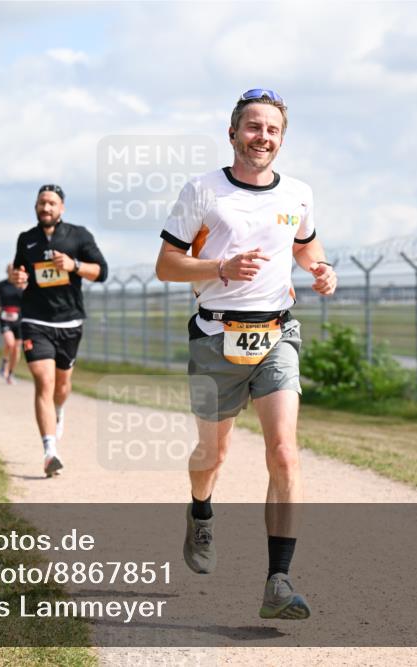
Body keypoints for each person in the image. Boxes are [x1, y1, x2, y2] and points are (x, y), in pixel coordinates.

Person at [154, 88, 337, 620]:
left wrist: (320, 268)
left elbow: (305, 244)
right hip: (215, 338)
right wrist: (220, 268)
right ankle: (201, 510)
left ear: (283, 138)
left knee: (284, 453)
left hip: (277, 334)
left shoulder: (298, 194)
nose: (263, 137)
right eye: (253, 127)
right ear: (232, 133)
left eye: (273, 130)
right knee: (212, 457)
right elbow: (167, 264)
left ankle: (279, 580)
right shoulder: (203, 191)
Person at [9, 184, 108, 477]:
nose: (46, 208)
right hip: (35, 320)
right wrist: (18, 277)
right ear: (36, 207)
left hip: (69, 322)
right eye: (41, 203)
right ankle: (50, 451)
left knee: (62, 388)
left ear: (62, 208)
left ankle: (59, 411)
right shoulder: (26, 239)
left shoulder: (79, 235)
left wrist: (74, 264)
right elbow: (20, 274)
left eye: (51, 203)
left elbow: (102, 272)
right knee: (44, 381)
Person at [0, 265, 24, 385]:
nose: (14, 271)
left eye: (16, 269)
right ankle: (5, 361)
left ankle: (11, 373)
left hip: (19, 318)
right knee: (10, 343)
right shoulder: (0, 285)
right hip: (5, 317)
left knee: (16, 349)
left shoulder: (22, 285)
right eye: (11, 269)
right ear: (7, 271)